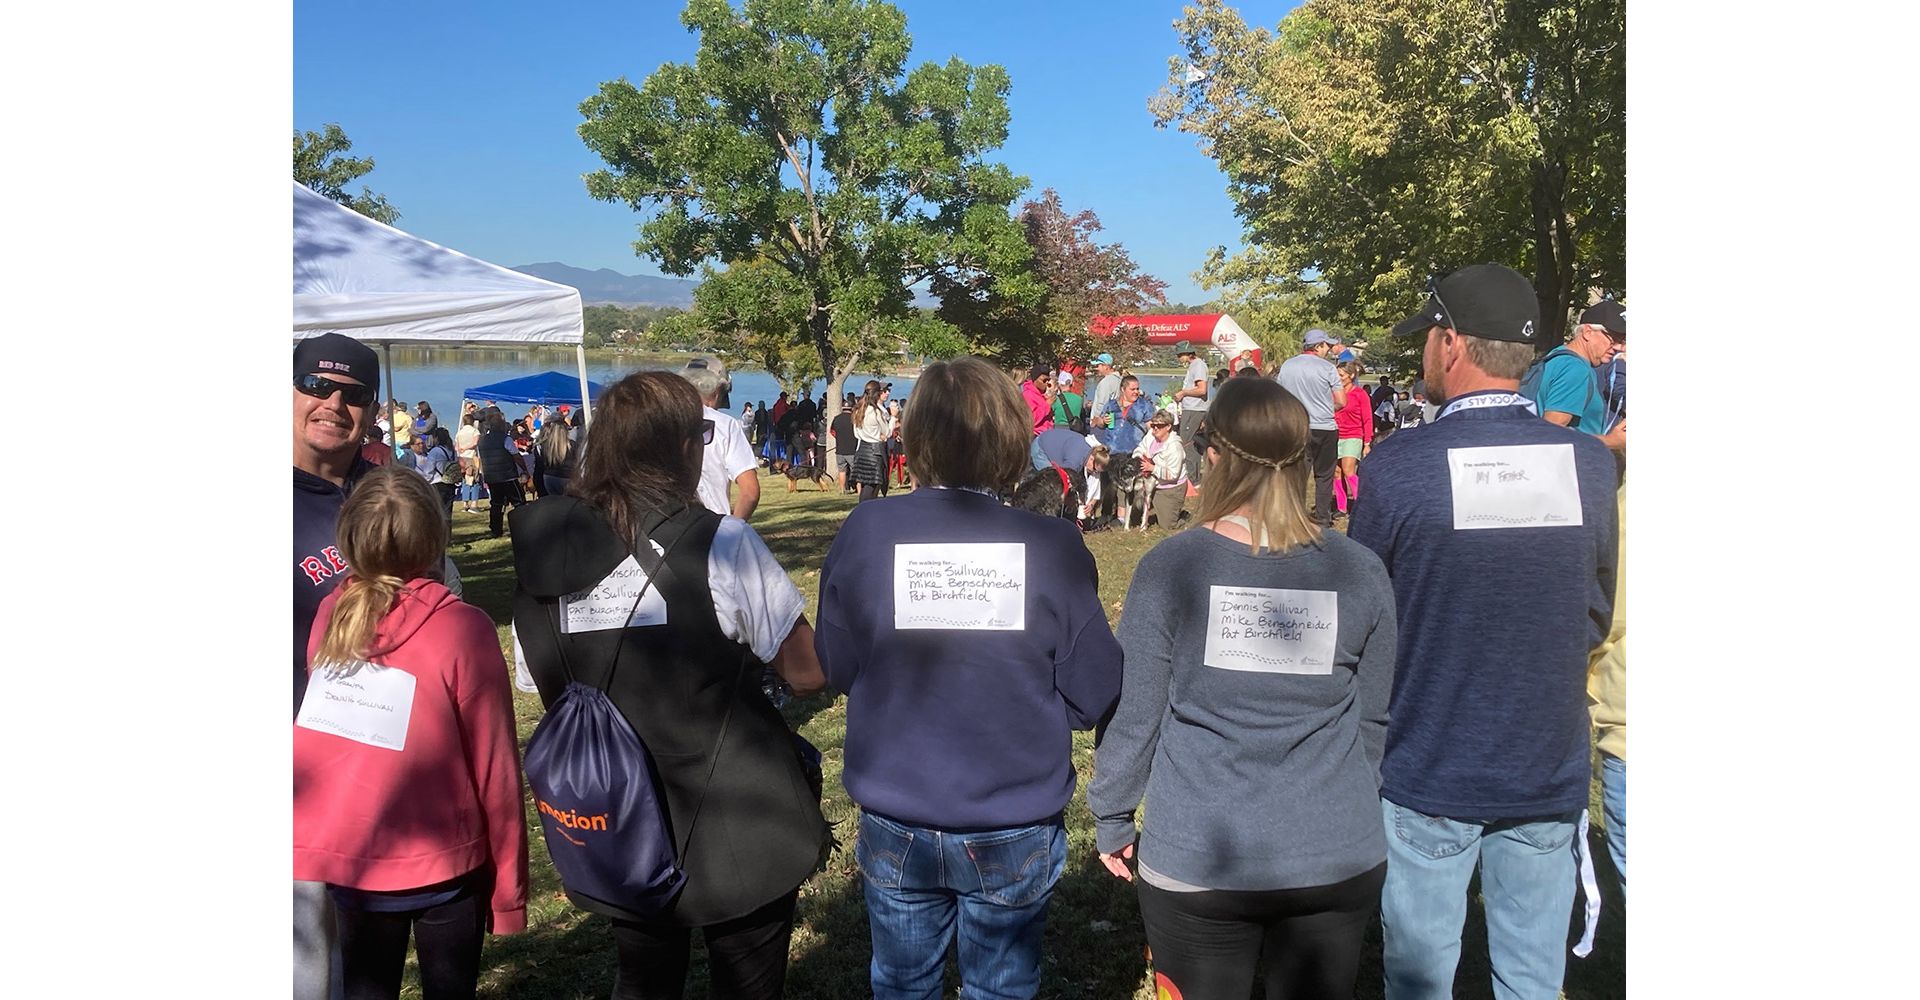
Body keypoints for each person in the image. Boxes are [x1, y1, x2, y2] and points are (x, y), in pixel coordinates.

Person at [509, 371, 830, 1000]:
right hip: (739, 811)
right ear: (683, 447)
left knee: (644, 979)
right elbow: (808, 671)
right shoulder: (724, 543)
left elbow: (533, 677)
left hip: (615, 813)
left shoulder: (542, 552)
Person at [814, 356, 1123, 1000]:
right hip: (1012, 810)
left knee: (903, 983)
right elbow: (1093, 688)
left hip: (897, 804)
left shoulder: (867, 529)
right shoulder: (1052, 543)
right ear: (1012, 436)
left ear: (916, 436)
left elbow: (836, 666)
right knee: (1002, 986)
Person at [1350, 264, 1618, 1000]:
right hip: (1546, 759)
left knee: (1420, 980)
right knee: (1533, 981)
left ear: (1450, 344)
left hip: (1428, 760)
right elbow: (1595, 608)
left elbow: (1364, 615)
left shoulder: (1397, 466)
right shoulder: (1591, 466)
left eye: (1425, 342)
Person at [1088, 377, 1396, 1000]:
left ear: (1215, 455)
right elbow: (1375, 721)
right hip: (1335, 852)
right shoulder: (1360, 570)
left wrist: (1113, 812)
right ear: (1305, 458)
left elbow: (1138, 714)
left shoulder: (1171, 567)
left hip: (1198, 861)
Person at [295, 466, 529, 1000]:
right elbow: (495, 766)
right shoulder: (462, 628)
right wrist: (508, 890)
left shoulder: (332, 615)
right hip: (445, 868)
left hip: (354, 861)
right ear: (435, 538)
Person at [293, 333, 382, 1000]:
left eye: (352, 395)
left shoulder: (383, 496)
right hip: (295, 784)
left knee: (364, 968)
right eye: (316, 386)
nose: (333, 403)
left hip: (378, 774)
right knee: (303, 968)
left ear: (372, 410)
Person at [1526, 299, 1627, 452]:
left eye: (1623, 340)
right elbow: (1551, 435)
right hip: (1568, 470)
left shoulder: (1558, 355)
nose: (1619, 348)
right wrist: (1611, 441)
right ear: (1587, 332)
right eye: (1614, 339)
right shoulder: (1575, 369)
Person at [1274, 329, 1347, 528]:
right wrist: (1324, 406)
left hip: (1296, 426)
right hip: (1324, 427)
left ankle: (1292, 516)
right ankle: (1323, 518)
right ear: (1317, 346)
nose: (1328, 350)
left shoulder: (1288, 365)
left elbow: (1279, 396)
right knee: (1324, 475)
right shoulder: (1327, 368)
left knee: (1297, 473)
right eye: (1326, 346)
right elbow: (1341, 401)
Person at [685, 367, 760, 520]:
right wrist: (734, 528)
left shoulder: (659, 420)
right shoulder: (726, 425)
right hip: (712, 526)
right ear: (716, 392)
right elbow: (750, 492)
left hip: (659, 533)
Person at [1332, 361, 1375, 520]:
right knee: (1337, 473)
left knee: (1349, 470)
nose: (1338, 378)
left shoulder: (1359, 394)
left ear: (1351, 376)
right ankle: (1341, 507)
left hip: (1353, 435)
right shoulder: (1334, 393)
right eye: (1336, 374)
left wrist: (1367, 442)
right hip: (1336, 436)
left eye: (1341, 375)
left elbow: (1368, 418)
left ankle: (1362, 505)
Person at [1134, 412, 1189, 530]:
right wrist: (1139, 458)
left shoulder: (1174, 447)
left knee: (1167, 525)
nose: (1154, 428)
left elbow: (1173, 475)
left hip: (1170, 488)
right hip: (1151, 483)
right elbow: (1139, 448)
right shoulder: (1150, 435)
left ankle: (1183, 516)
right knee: (1136, 510)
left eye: (1159, 426)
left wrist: (1152, 468)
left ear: (1168, 427)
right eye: (1153, 425)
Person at [475, 410, 524, 539]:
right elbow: (516, 456)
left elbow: (480, 459)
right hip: (508, 476)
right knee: (518, 502)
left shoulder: (482, 441)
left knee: (496, 503)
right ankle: (522, 526)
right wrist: (524, 469)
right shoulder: (505, 439)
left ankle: (495, 529)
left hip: (492, 477)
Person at [1171, 341, 1211, 484]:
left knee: (1187, 443)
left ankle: (1192, 479)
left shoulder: (1198, 365)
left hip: (1195, 409)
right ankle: (1194, 478)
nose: (1178, 359)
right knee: (1192, 443)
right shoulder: (1194, 366)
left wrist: (1183, 392)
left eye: (1180, 355)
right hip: (1191, 408)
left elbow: (1202, 389)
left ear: (1187, 354)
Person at [849, 379, 894, 502]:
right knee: (873, 485)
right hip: (875, 451)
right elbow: (888, 433)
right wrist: (894, 417)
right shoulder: (875, 412)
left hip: (863, 449)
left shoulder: (859, 410)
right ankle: (865, 510)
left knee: (866, 485)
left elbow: (856, 433)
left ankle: (864, 509)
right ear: (877, 394)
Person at [533, 419, 575, 499]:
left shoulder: (544, 445)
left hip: (549, 477)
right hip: (566, 477)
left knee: (553, 502)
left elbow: (541, 463)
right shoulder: (571, 444)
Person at [1087, 353, 1122, 438]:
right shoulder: (1120, 380)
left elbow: (1101, 404)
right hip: (1114, 421)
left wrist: (1095, 421)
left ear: (1106, 366)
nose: (1097, 368)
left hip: (1101, 424)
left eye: (1098, 365)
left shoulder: (1105, 382)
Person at [1021, 362, 1056, 435]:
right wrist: (1047, 405)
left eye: (1048, 380)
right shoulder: (1028, 395)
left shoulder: (1042, 395)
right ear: (1035, 380)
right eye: (1044, 380)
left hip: (1047, 434)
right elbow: (1031, 420)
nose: (1047, 383)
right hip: (1036, 435)